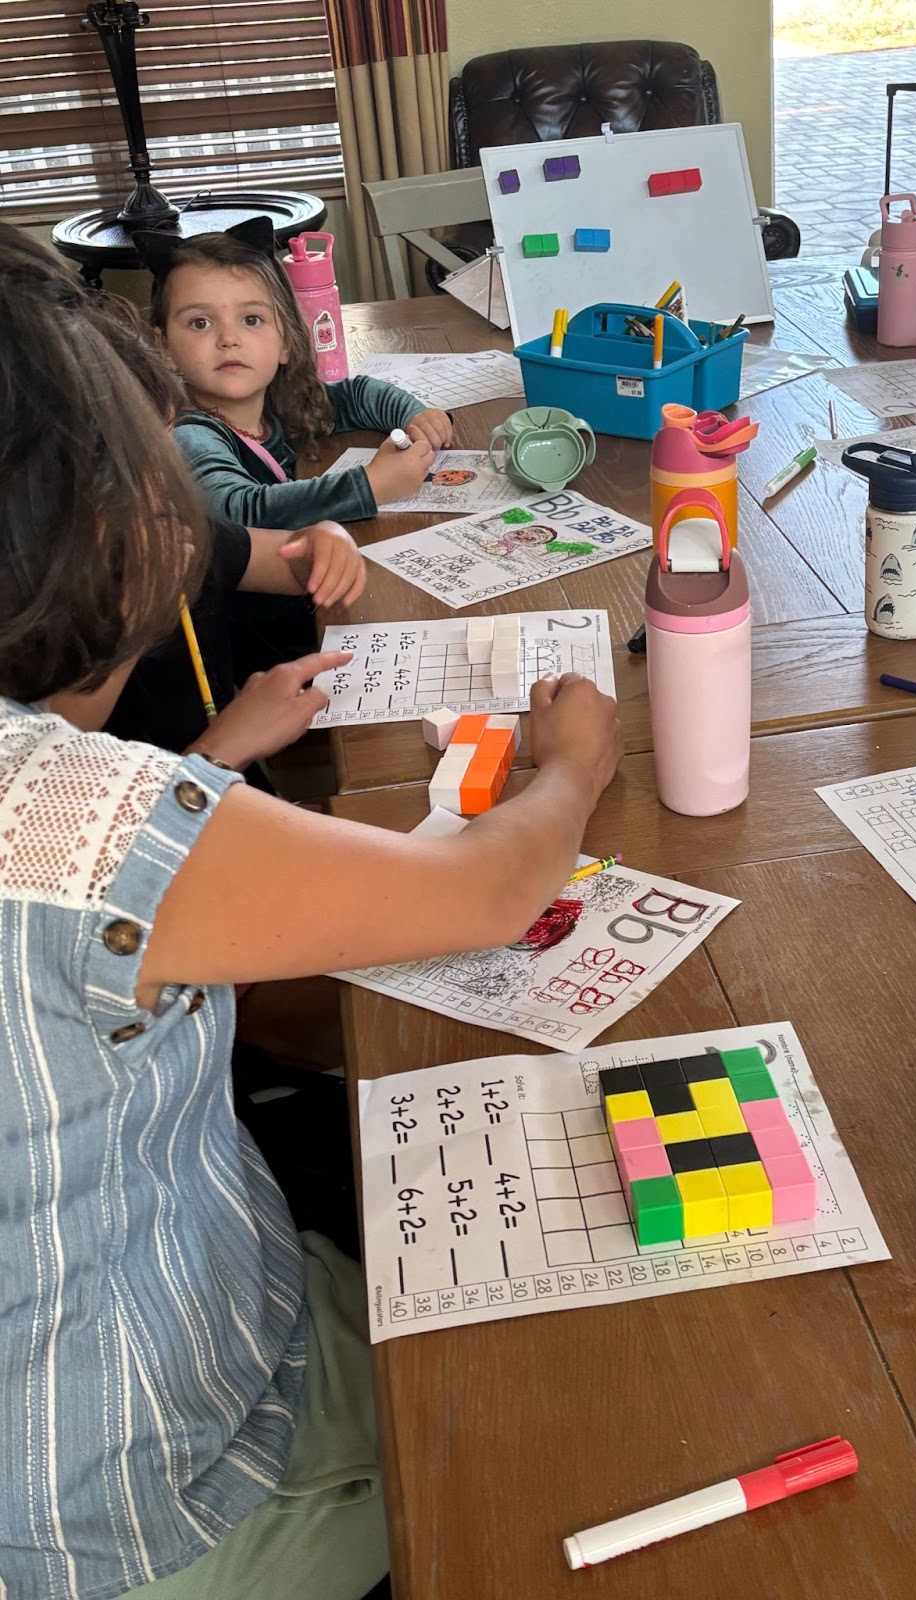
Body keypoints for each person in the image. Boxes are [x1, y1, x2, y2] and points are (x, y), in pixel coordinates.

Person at [0, 223, 622, 1600]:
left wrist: (203, 760)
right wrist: (576, 760)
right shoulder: (66, 819)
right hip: (145, 1500)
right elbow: (487, 887)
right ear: (114, 551)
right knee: (584, 1435)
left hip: (180, 1324)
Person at [141, 218, 453, 527]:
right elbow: (238, 512)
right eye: (200, 323)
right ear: (165, 348)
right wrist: (368, 486)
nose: (228, 339)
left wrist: (413, 416)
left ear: (286, 342)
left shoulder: (279, 402)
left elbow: (355, 396)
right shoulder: (188, 435)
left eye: (251, 319)